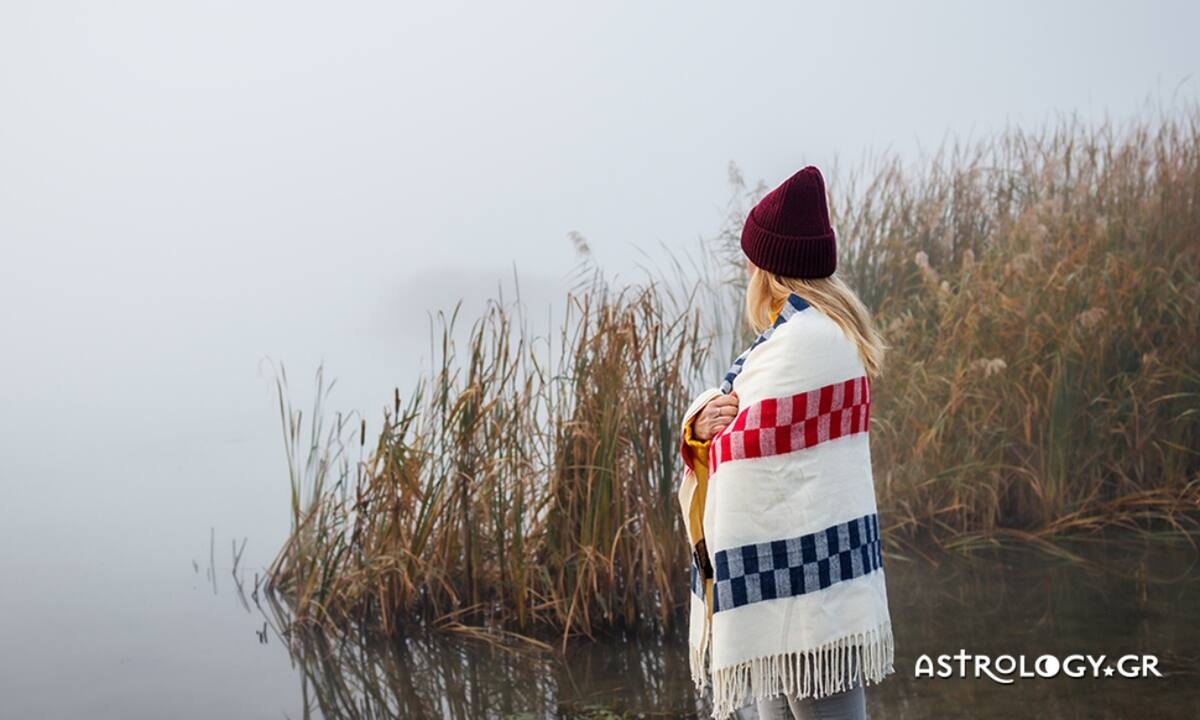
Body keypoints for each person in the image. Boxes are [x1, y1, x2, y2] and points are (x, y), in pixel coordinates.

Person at [677, 166, 896, 720]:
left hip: (816, 592)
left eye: (753, 257)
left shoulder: (813, 342)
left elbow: (739, 448)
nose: (748, 267)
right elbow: (735, 428)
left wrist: (708, 430)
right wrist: (698, 425)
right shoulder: (798, 336)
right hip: (791, 583)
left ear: (772, 267)